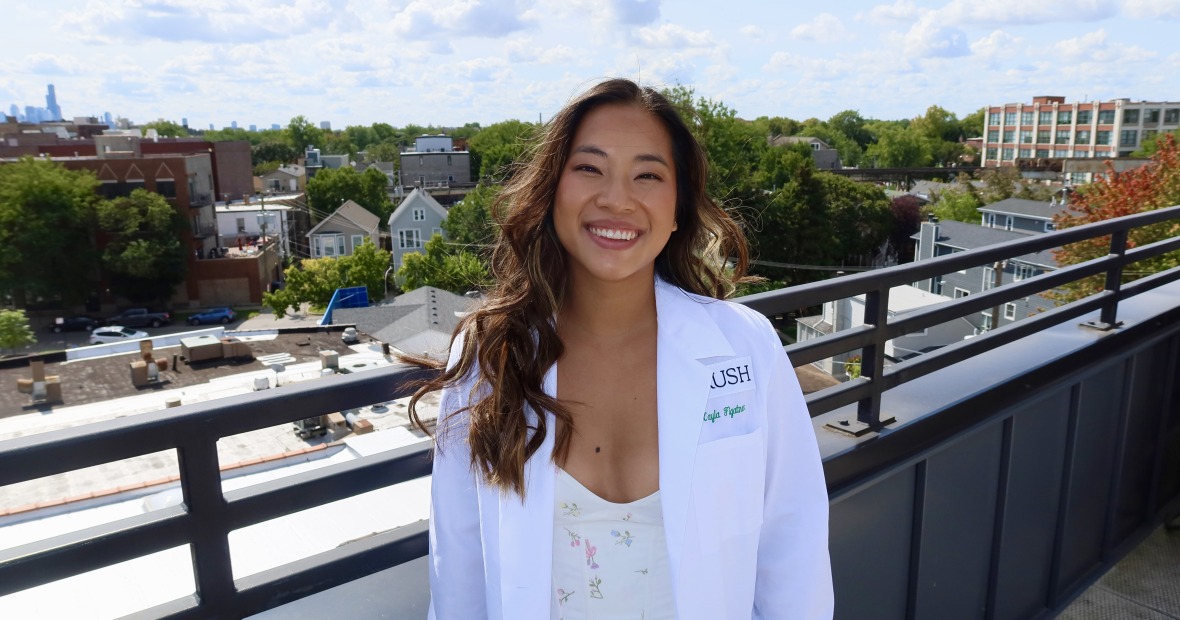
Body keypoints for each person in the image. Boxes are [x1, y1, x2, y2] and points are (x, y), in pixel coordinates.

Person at [407, 78, 832, 620]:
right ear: (552, 190)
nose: (616, 198)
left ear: (678, 205)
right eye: (589, 168)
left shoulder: (745, 347)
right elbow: (458, 570)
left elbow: (793, 550)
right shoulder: (490, 354)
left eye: (648, 175)